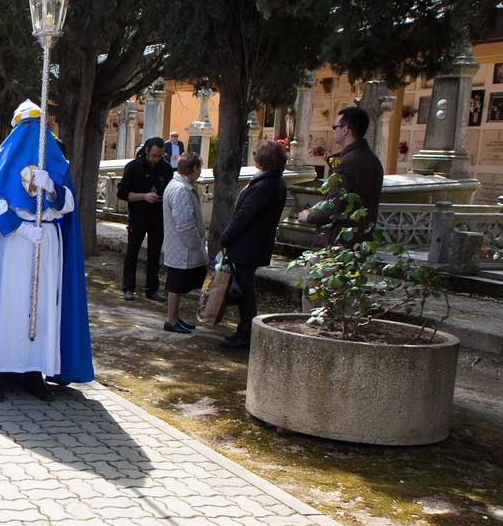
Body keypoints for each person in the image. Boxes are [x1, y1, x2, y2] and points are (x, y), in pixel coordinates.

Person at [0, 100, 92, 402]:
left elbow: (68, 204)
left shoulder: (55, 163)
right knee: (6, 306)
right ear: (17, 128)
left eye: (38, 126)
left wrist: (52, 188)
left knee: (42, 309)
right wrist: (22, 228)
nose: (32, 133)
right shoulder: (2, 162)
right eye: (27, 126)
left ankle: (34, 371)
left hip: (45, 241)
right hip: (12, 242)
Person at [221, 140, 289, 348]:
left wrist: (225, 238)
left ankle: (247, 333)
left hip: (248, 246)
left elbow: (244, 216)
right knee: (244, 289)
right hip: (252, 245)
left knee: (245, 291)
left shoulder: (266, 185)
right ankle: (244, 330)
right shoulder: (272, 182)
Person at [297, 106, 383, 245]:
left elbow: (334, 204)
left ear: (345, 130)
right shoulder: (372, 160)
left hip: (338, 240)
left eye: (335, 126)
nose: (333, 130)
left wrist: (309, 216)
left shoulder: (347, 163)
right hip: (361, 238)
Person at [117, 135, 173, 301]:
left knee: (154, 255)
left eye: (159, 156)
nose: (156, 159)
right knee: (132, 252)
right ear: (147, 151)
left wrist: (161, 198)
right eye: (153, 155)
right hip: (138, 216)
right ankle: (128, 287)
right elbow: (122, 193)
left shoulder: (166, 168)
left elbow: (170, 192)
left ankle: (152, 289)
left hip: (158, 217)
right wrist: (143, 196)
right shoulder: (134, 167)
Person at [160, 153, 208, 334]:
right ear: (194, 169)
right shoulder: (181, 190)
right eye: (199, 168)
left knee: (177, 286)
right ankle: (172, 320)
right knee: (176, 286)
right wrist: (196, 243)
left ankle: (175, 318)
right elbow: (184, 224)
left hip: (181, 247)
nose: (200, 172)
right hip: (183, 248)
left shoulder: (179, 186)